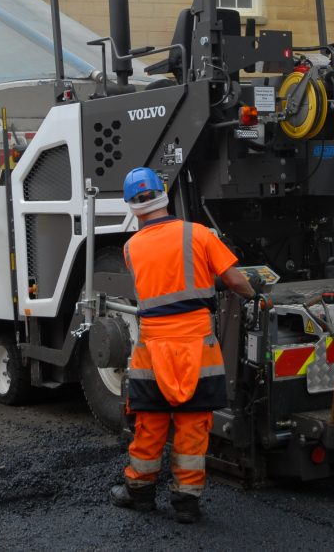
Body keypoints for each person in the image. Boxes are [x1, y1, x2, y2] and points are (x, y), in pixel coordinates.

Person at [109, 167, 257, 524]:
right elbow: (234, 279)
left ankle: (140, 492)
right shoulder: (199, 234)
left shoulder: (130, 248)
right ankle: (187, 503)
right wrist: (253, 293)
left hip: (153, 346)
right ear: (163, 193)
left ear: (132, 206)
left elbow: (159, 284)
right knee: (193, 425)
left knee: (150, 423)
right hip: (197, 344)